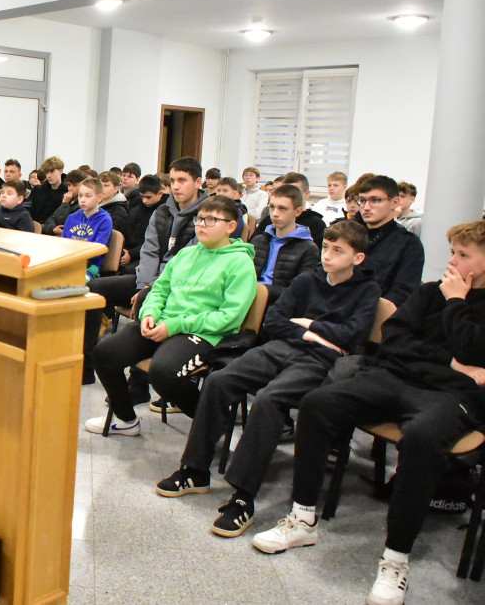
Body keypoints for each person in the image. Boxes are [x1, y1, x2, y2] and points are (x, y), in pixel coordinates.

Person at [251, 220, 485, 605]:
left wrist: (457, 303)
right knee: (317, 403)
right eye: (453, 252)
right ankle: (303, 516)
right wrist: (452, 363)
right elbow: (394, 339)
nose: (452, 262)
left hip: (448, 397)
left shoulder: (459, 299)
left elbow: (473, 348)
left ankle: (395, 560)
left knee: (423, 438)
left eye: (463, 255)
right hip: (397, 377)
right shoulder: (430, 293)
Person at [157, 220, 379, 538]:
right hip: (282, 347)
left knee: (270, 399)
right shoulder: (307, 279)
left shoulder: (367, 290)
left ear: (357, 258)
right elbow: (274, 321)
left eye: (337, 250)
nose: (327, 256)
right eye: (326, 248)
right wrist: (311, 330)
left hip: (319, 360)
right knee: (220, 380)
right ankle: (195, 471)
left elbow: (354, 334)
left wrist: (306, 327)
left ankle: (243, 498)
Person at [84, 195, 257, 434]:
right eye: (200, 218)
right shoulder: (187, 255)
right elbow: (159, 289)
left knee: (163, 374)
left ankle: (212, 423)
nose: (202, 224)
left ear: (230, 226)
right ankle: (126, 420)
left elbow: (229, 316)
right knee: (104, 354)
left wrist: (174, 326)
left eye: (211, 220)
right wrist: (149, 314)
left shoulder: (241, 263)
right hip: (164, 324)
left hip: (204, 334)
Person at [81, 158, 208, 388]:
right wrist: (144, 285)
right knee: (94, 289)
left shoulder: (208, 216)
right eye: (173, 180)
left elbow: (186, 262)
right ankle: (86, 367)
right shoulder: (162, 212)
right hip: (149, 282)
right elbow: (149, 251)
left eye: (183, 180)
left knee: (146, 300)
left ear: (198, 182)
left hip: (178, 286)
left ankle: (138, 385)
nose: (176, 186)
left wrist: (151, 289)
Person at [357, 175, 425, 313]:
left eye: (375, 200)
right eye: (362, 201)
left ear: (395, 202)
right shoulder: (349, 235)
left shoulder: (409, 244)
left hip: (375, 316)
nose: (366, 207)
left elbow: (401, 295)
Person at [250, 184, 321, 305]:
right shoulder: (258, 241)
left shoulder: (308, 248)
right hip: (249, 298)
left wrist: (262, 290)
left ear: (298, 211)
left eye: (282, 208)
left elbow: (300, 291)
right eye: (272, 207)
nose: (275, 214)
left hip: (279, 304)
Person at [62, 177, 113, 282]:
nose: (82, 200)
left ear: (100, 197)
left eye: (88, 196)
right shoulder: (72, 218)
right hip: (69, 263)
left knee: (74, 282)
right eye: (80, 195)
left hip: (91, 266)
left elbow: (98, 250)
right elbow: (63, 243)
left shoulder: (104, 220)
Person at [255, 172, 326, 247]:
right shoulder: (270, 221)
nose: (287, 197)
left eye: (294, 193)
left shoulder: (316, 224)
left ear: (307, 194)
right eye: (284, 192)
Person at [43, 170, 86, 235]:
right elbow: (51, 219)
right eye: (69, 185)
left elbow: (64, 222)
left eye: (75, 185)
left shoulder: (83, 205)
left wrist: (65, 204)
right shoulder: (69, 200)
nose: (70, 188)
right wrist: (53, 229)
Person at [29, 156, 68, 225]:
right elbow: (29, 211)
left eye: (52, 171)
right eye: (47, 173)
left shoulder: (68, 193)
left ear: (60, 171)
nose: (49, 176)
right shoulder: (37, 190)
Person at [99, 170, 129, 236]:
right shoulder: (96, 204)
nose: (101, 188)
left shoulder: (119, 210)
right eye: (100, 185)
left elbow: (109, 235)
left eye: (106, 185)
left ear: (116, 189)